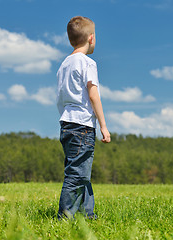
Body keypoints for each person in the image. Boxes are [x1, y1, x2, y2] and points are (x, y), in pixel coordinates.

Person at [56, 16, 111, 220]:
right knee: (77, 175)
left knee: (81, 173)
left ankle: (87, 216)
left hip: (67, 123)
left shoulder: (64, 64)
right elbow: (93, 94)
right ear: (91, 38)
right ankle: (65, 218)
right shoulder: (88, 63)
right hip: (82, 125)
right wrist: (103, 126)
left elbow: (61, 96)